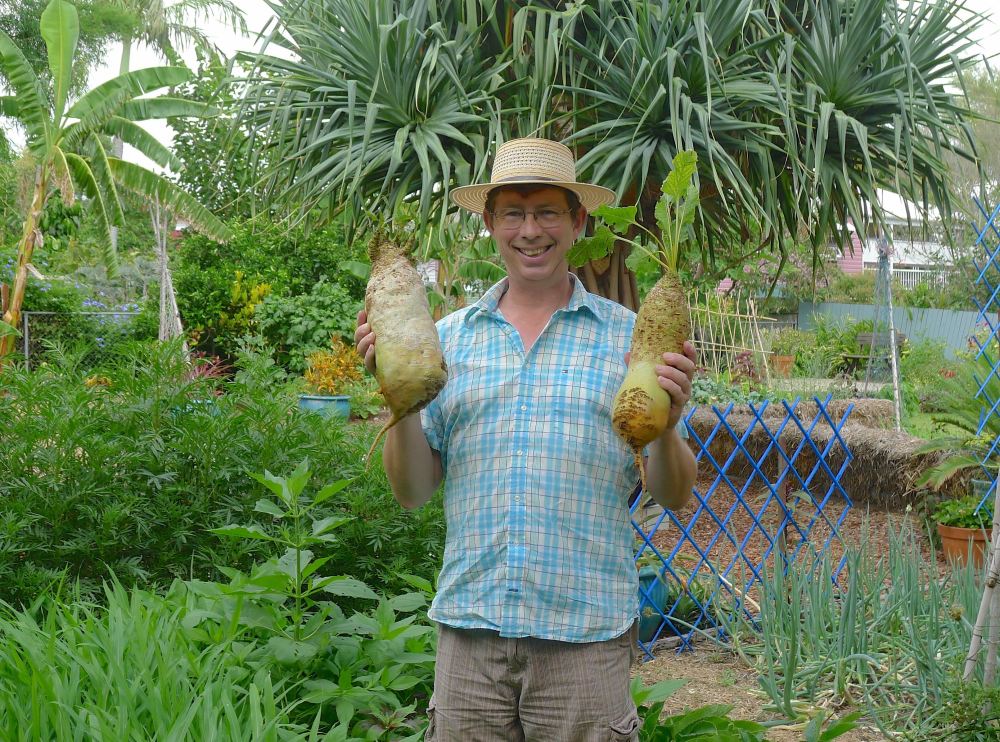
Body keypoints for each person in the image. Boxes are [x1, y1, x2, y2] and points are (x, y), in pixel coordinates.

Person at [354, 137, 697, 742]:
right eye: (513, 212)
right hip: (470, 637)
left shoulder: (630, 341)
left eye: (546, 212)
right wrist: (398, 396)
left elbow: (672, 493)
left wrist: (667, 428)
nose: (529, 229)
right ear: (490, 223)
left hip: (585, 642)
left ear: (577, 221)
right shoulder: (446, 341)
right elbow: (411, 492)